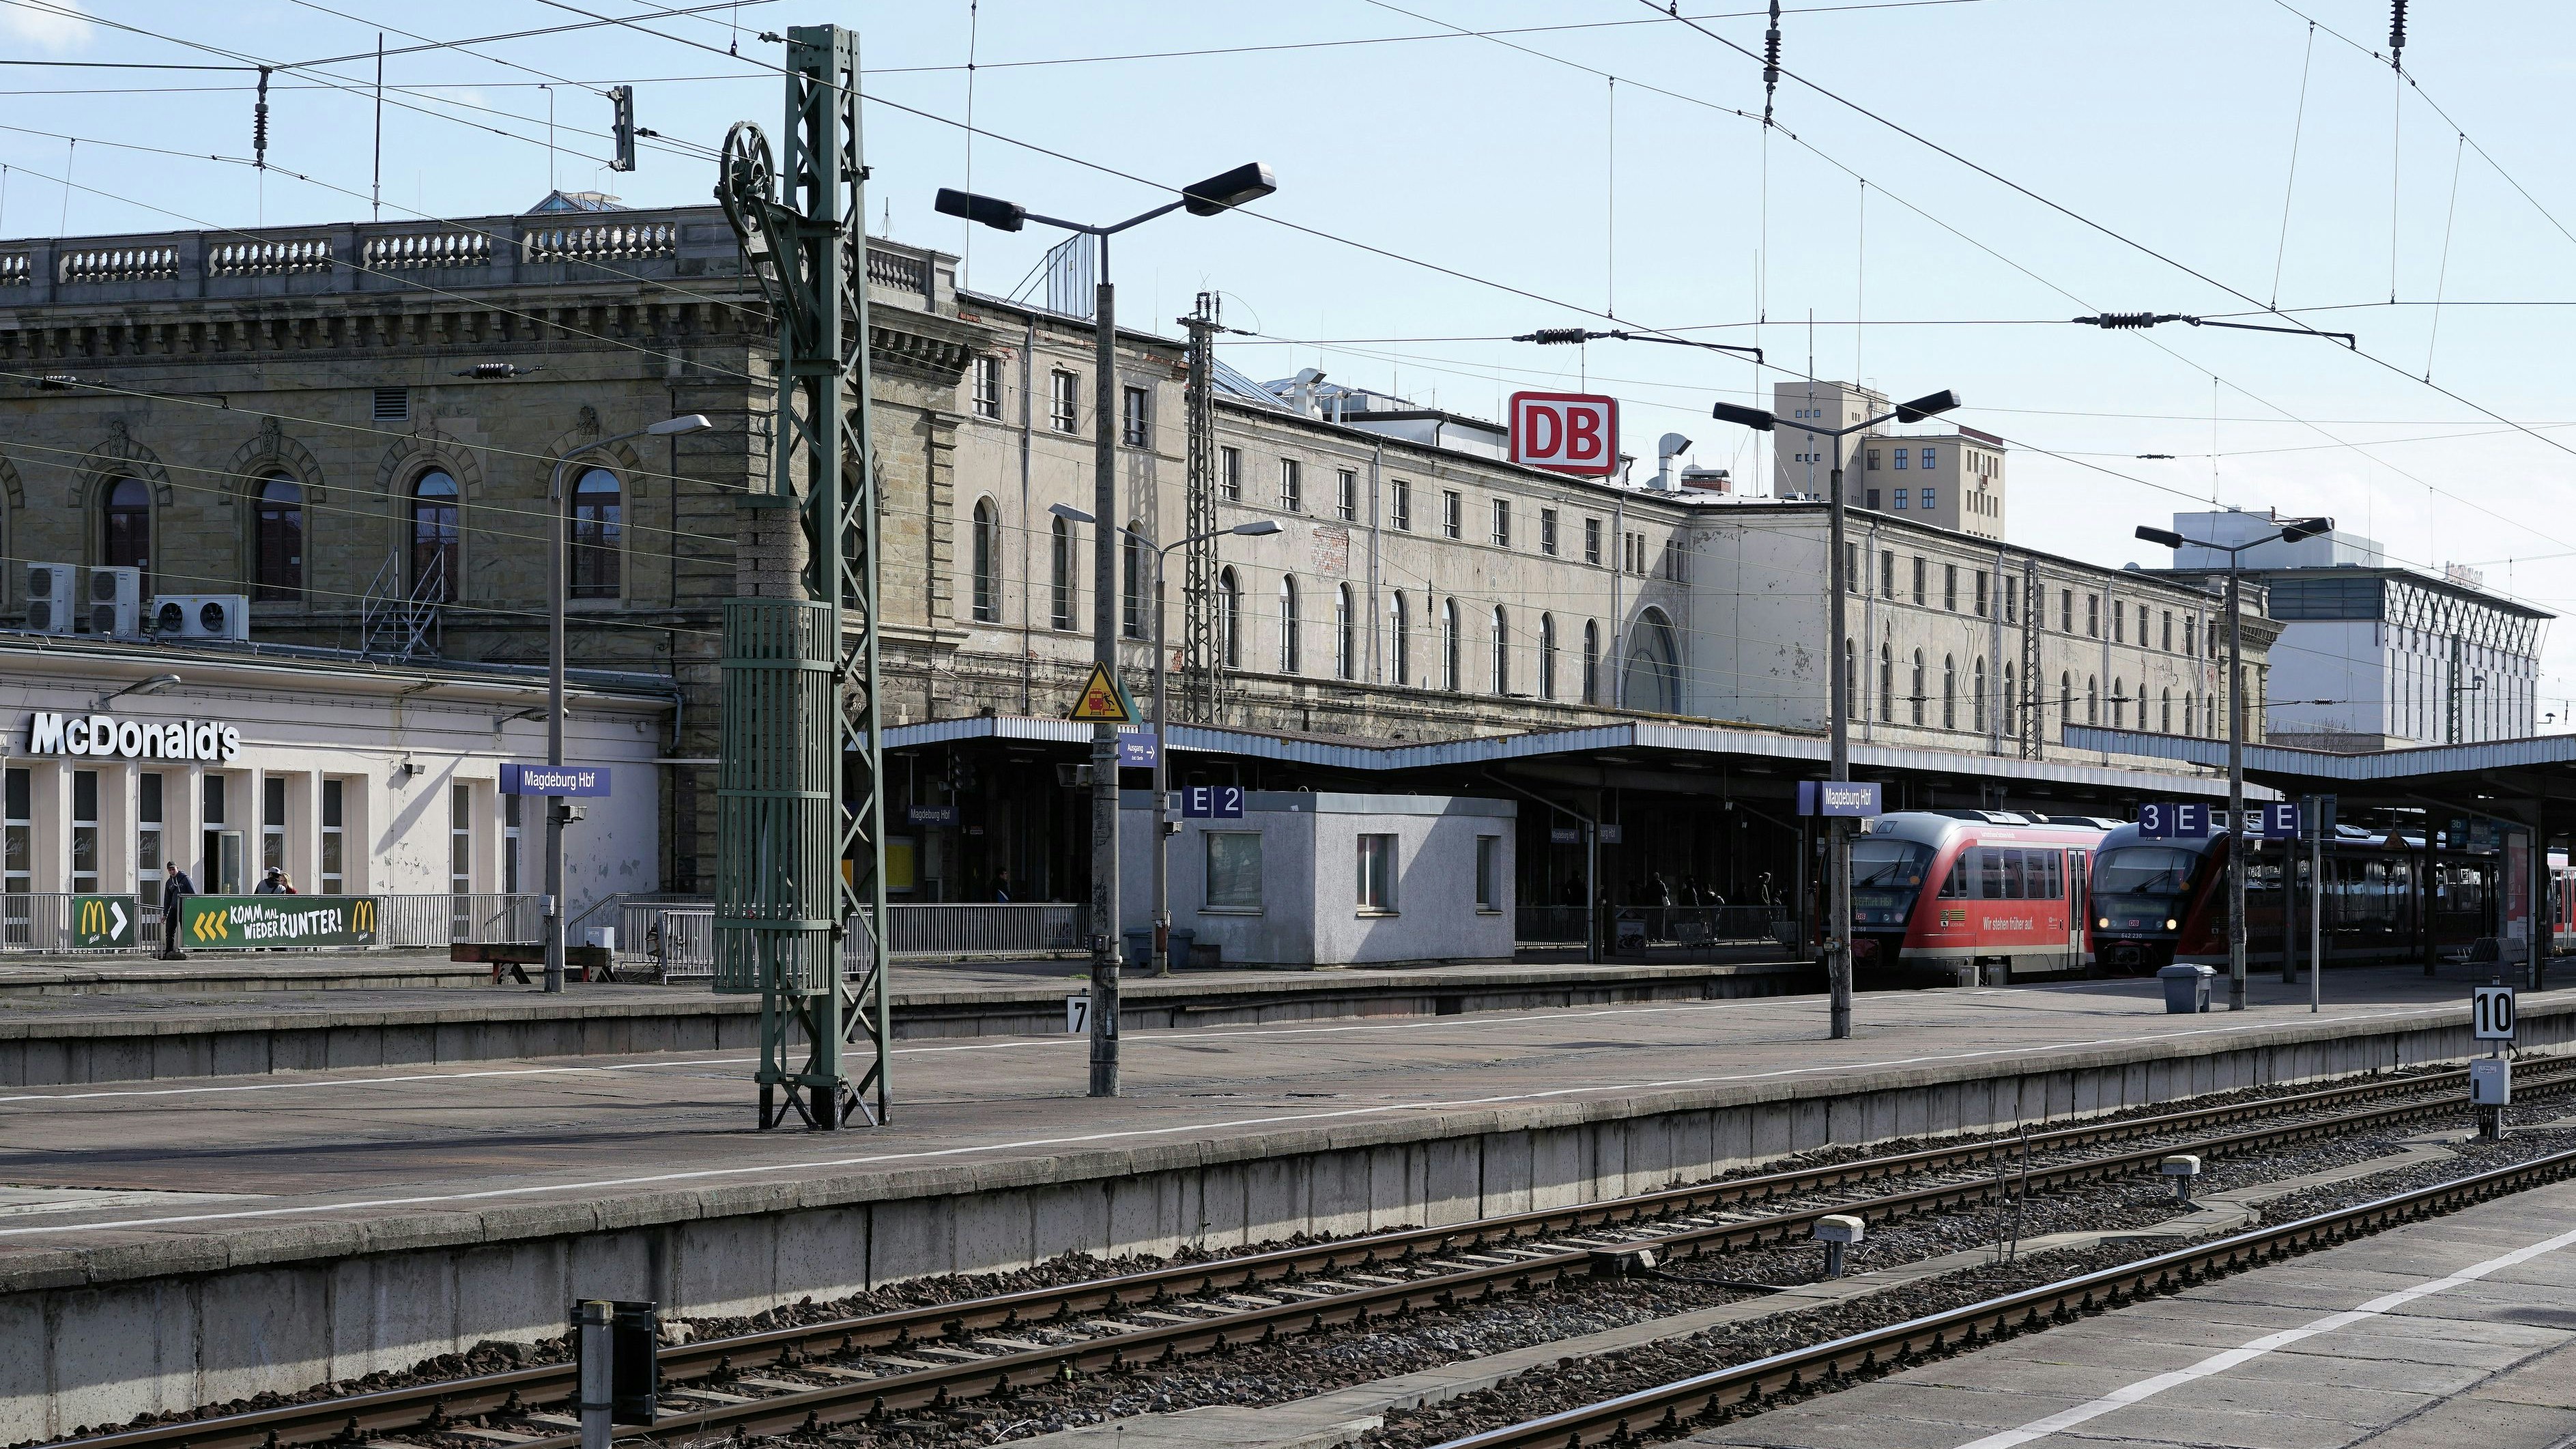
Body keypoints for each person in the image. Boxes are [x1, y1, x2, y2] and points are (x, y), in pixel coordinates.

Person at [160, 859, 196, 960]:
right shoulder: (169, 883)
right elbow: (167, 899)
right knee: (170, 930)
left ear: (177, 868)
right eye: (170, 870)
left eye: (173, 869)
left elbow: (194, 894)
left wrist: (192, 908)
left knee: (187, 930)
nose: (172, 871)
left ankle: (196, 950)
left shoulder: (185, 879)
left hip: (185, 908)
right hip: (174, 908)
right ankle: (169, 952)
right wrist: (165, 914)